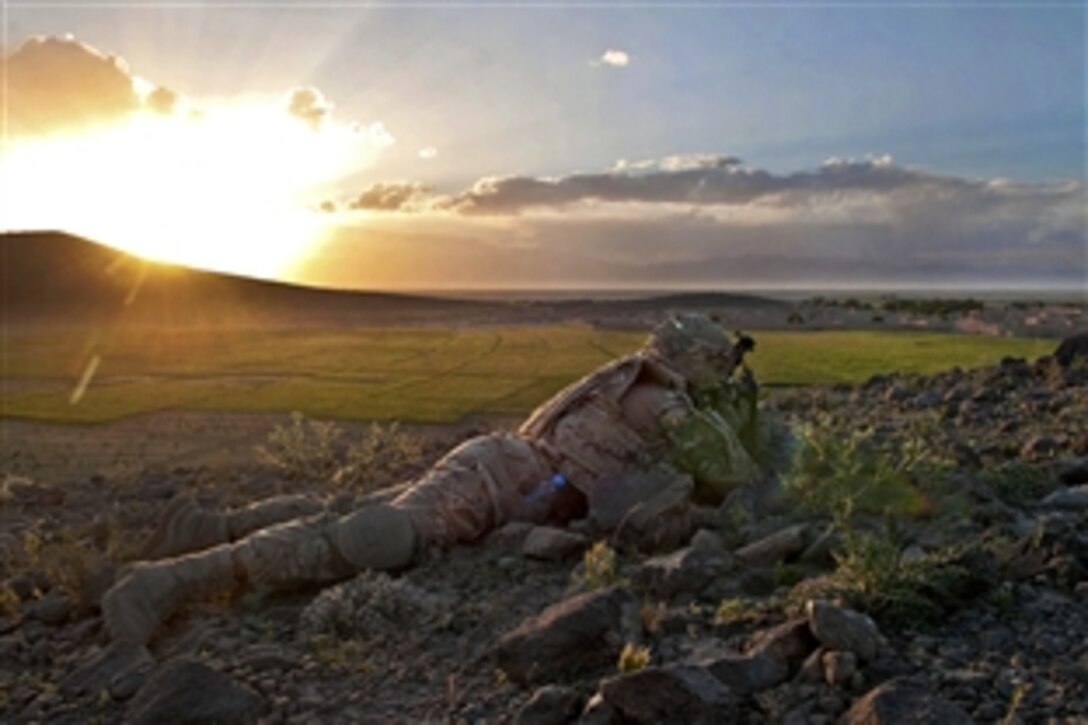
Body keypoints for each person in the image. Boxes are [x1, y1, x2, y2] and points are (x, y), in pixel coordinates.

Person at [102, 313, 770, 645]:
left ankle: (200, 530)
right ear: (694, 359)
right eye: (718, 362)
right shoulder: (665, 398)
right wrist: (742, 427)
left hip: (501, 468)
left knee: (359, 506)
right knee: (380, 535)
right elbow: (727, 469)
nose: (720, 372)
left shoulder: (629, 375)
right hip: (507, 476)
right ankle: (167, 581)